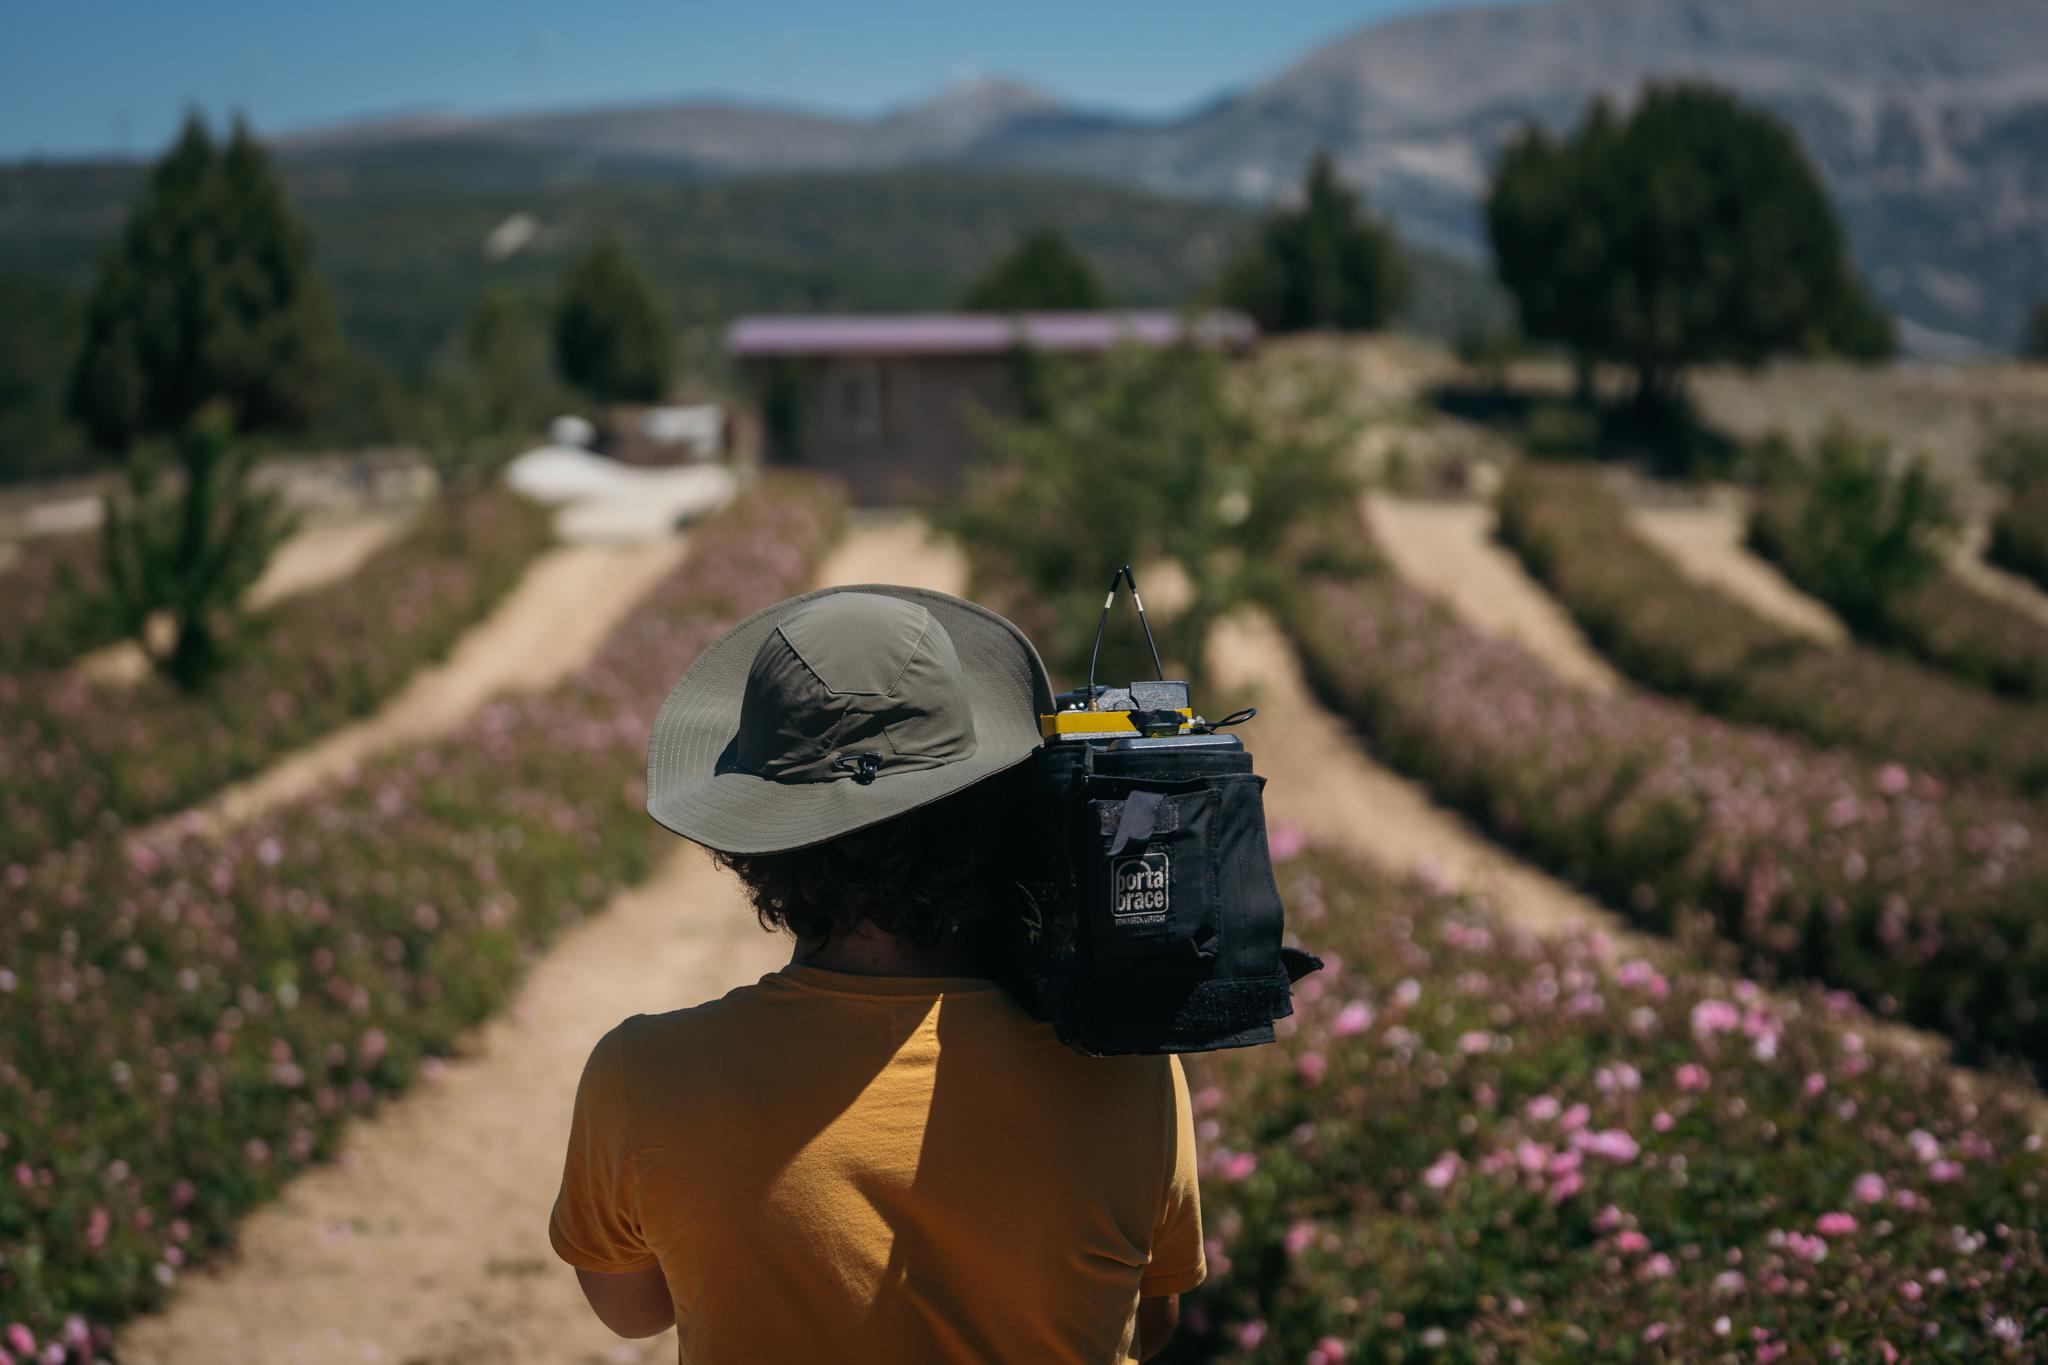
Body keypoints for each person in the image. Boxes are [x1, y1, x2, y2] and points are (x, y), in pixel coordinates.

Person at [549, 586, 1205, 1363]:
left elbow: (631, 1310)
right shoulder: (1128, 1068)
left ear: (759, 844)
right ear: (990, 804)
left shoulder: (642, 1076)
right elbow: (1149, 1318)